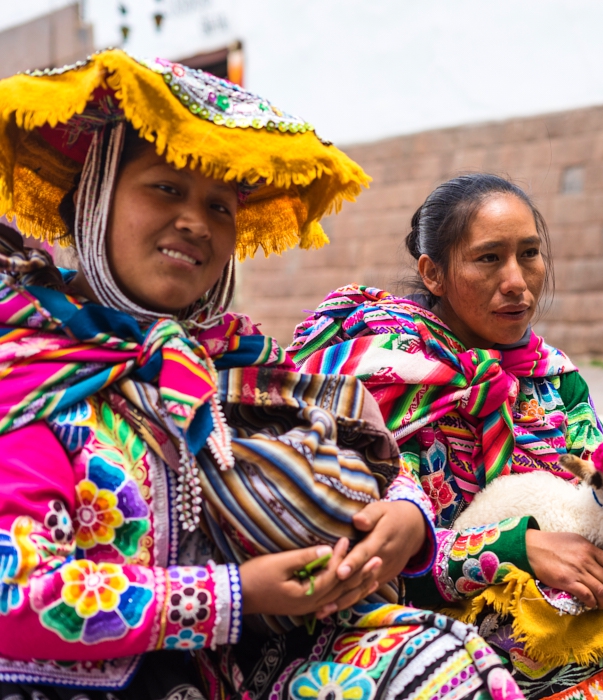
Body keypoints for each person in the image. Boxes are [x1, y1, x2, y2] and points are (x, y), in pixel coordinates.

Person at [0, 50, 522, 700]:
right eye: (165, 187)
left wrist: (407, 519)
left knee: (448, 665)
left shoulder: (228, 362)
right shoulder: (29, 370)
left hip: (252, 668)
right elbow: (12, 594)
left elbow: (366, 452)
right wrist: (232, 597)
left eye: (220, 206)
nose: (195, 221)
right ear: (96, 199)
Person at [289, 174, 603, 700]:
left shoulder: (554, 377)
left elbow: (601, 490)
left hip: (559, 604)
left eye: (530, 254)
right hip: (423, 616)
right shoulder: (381, 378)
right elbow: (371, 552)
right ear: (434, 273)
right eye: (489, 258)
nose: (517, 280)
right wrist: (519, 548)